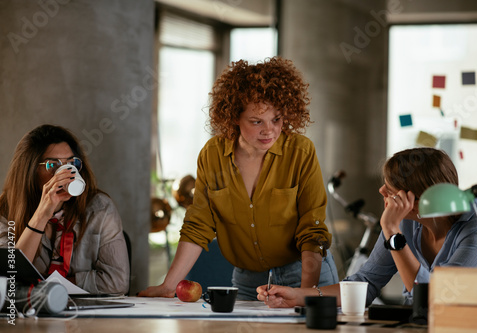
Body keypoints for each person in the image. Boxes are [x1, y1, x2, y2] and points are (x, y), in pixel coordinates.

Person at [139, 57, 339, 300]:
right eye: (257, 122)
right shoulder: (212, 155)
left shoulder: (301, 152)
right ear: (234, 117)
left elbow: (313, 229)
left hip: (303, 274)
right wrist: (169, 285)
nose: (269, 130)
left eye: (276, 119)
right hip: (248, 282)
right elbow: (198, 226)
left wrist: (305, 294)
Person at [256, 147, 477, 307]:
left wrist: (392, 232)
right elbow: (366, 283)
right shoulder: (406, 221)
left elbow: (437, 298)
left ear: (420, 197)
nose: (382, 191)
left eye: (392, 188)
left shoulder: (476, 227)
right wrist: (297, 296)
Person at [0, 124, 129, 295]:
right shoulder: (5, 210)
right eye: (52, 165)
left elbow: (117, 283)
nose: (66, 172)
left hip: (87, 317)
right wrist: (41, 215)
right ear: (29, 170)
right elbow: (7, 278)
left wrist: (47, 287)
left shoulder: (100, 208)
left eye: (71, 163)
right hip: (31, 314)